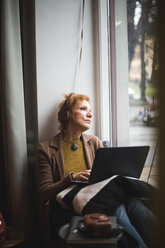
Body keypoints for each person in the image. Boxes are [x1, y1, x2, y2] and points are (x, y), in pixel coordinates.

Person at [37, 93, 103, 246]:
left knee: (130, 208)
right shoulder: (45, 149)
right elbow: (43, 192)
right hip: (64, 208)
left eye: (90, 110)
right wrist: (72, 178)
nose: (90, 114)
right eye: (83, 108)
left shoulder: (95, 142)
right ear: (67, 115)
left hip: (93, 201)